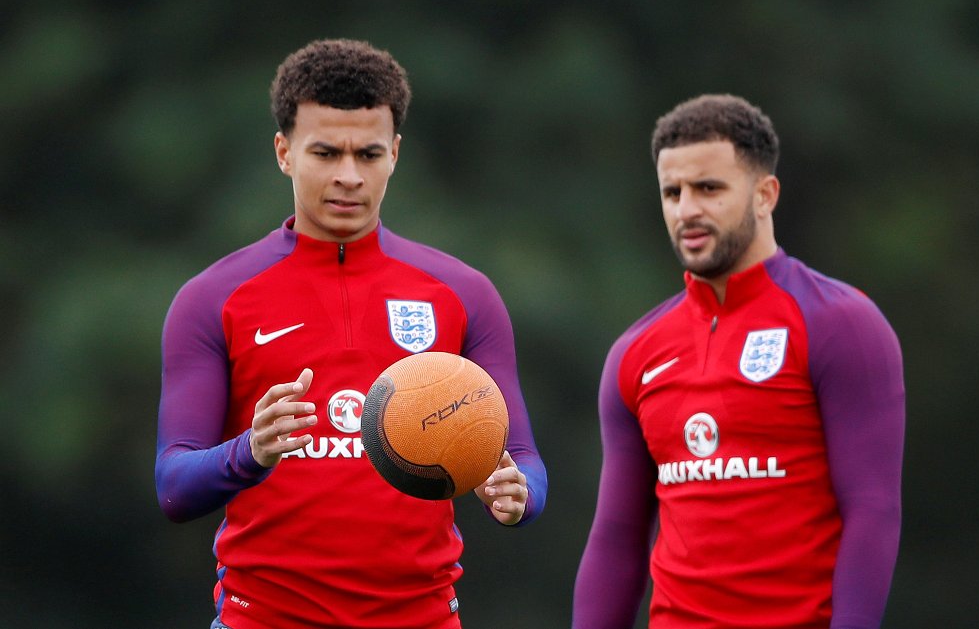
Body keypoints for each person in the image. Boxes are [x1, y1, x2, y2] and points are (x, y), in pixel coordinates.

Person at [155, 38, 547, 629]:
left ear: (394, 153)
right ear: (284, 152)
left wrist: (520, 495)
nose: (348, 176)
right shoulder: (212, 298)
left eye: (367, 154)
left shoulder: (464, 294)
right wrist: (251, 451)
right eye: (325, 152)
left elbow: (523, 461)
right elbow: (173, 486)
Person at [572, 94, 904, 628]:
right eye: (672, 193)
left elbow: (873, 512)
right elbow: (616, 541)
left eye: (709, 189)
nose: (687, 211)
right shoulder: (634, 354)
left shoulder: (841, 324)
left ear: (765, 194)